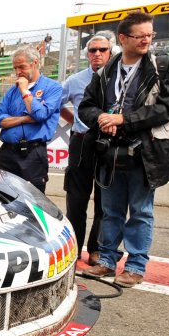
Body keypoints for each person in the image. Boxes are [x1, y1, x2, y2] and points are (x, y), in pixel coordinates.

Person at [79, 12, 169, 288]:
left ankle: (136, 266)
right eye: (141, 36)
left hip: (146, 151)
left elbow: (168, 108)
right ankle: (107, 260)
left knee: (140, 211)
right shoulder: (105, 72)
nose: (147, 40)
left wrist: (124, 120)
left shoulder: (163, 67)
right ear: (123, 38)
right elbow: (86, 107)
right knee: (110, 210)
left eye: (150, 35)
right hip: (110, 152)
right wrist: (102, 119)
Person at [60, 32, 114, 265]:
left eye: (103, 50)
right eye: (93, 50)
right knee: (76, 200)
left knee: (105, 201)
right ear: (87, 54)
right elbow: (58, 104)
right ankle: (74, 247)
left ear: (111, 52)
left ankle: (97, 250)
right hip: (82, 142)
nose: (97, 54)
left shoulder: (118, 78)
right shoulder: (75, 80)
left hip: (109, 143)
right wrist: (75, 121)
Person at [0, 45, 63, 193]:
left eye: (22, 67)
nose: (18, 72)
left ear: (35, 63)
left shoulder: (52, 87)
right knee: (5, 196)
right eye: (15, 68)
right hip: (7, 153)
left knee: (33, 198)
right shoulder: (12, 91)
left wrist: (25, 91)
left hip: (33, 154)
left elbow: (40, 115)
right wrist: (25, 119)